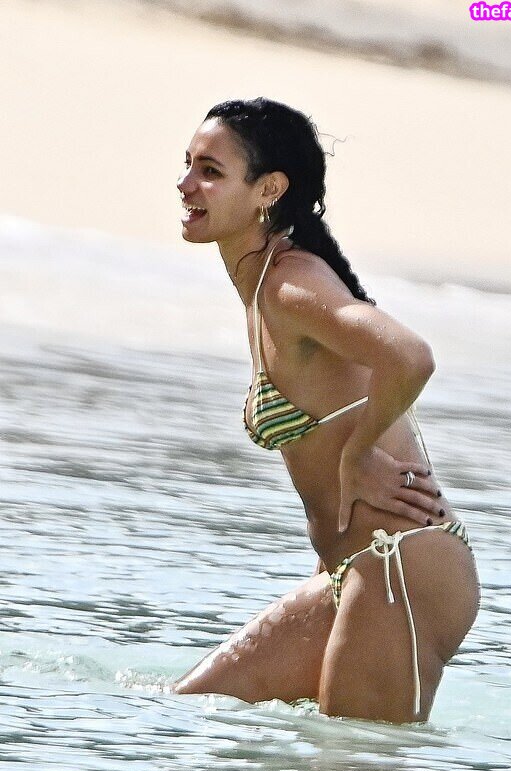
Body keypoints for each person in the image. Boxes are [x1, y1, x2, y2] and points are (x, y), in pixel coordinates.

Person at [172, 97, 480, 723]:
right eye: (187, 165)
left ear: (269, 190)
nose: (185, 185)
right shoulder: (265, 287)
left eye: (210, 171)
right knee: (190, 712)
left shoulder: (291, 285)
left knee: (351, 766)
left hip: (398, 567)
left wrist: (358, 456)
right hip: (359, 570)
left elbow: (410, 357)